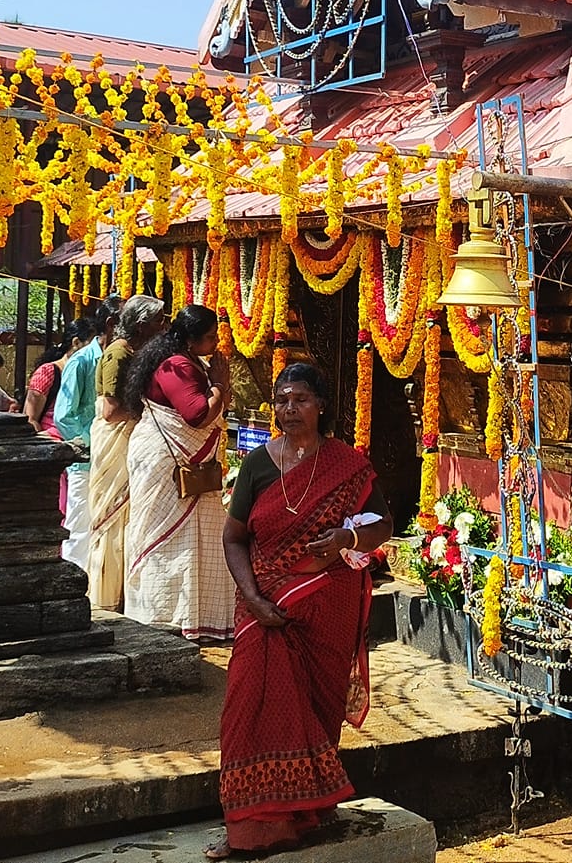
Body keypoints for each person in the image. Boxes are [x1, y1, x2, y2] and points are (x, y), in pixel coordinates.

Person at [207, 363, 391, 859]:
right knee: (247, 710)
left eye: (300, 399)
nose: (289, 409)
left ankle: (307, 815)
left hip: (327, 607)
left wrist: (348, 538)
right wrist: (255, 598)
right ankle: (249, 830)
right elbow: (233, 538)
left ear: (322, 404)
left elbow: (384, 525)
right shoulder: (258, 465)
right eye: (281, 400)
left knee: (316, 707)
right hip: (264, 607)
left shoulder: (349, 465)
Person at [121, 304, 235, 641]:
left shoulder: (182, 360)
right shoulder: (176, 366)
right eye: (211, 337)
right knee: (164, 541)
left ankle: (192, 618)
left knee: (193, 542)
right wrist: (218, 384)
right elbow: (197, 415)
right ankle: (159, 614)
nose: (216, 343)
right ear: (190, 339)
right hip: (166, 465)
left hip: (181, 465)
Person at [82, 296, 159, 606]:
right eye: (158, 320)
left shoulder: (132, 351)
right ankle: (105, 597)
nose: (162, 326)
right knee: (112, 518)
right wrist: (150, 407)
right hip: (114, 436)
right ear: (141, 325)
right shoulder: (118, 354)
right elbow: (112, 411)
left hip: (125, 435)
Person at [50, 310, 107, 565]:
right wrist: (92, 444)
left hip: (111, 458)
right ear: (112, 324)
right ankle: (74, 578)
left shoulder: (121, 358)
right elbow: (63, 415)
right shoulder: (82, 361)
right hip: (86, 459)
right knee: (79, 522)